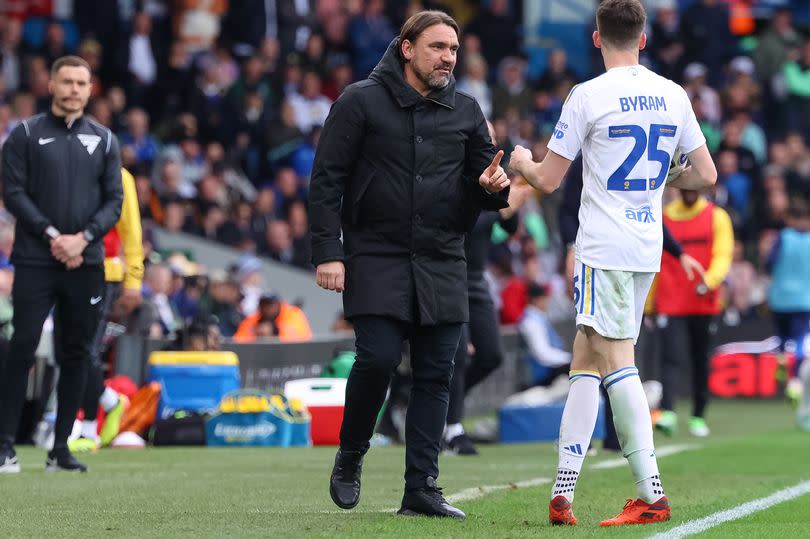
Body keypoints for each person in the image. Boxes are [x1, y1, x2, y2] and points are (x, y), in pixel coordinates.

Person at [509, 0, 717, 526]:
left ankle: (651, 493)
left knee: (614, 355)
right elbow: (706, 174)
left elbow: (549, 179)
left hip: (602, 245)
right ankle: (563, 491)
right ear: (643, 39)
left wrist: (519, 162)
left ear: (597, 39)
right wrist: (665, 179)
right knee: (586, 353)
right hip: (645, 245)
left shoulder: (587, 95)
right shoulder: (674, 94)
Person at [309, 11, 509, 519]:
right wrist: (329, 252)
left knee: (437, 374)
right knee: (376, 358)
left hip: (444, 260)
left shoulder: (466, 110)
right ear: (407, 48)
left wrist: (493, 189)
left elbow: (485, 182)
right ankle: (351, 453)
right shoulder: (358, 101)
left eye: (454, 50)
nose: (448, 58)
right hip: (375, 254)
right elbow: (326, 181)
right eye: (439, 47)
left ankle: (421, 487)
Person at [0, 55, 123, 473]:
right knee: (23, 347)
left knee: (77, 354)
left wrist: (83, 239)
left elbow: (115, 202)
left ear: (91, 89)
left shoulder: (105, 139)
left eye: (81, 83)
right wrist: (55, 237)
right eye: (66, 81)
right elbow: (13, 194)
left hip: (86, 263)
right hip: (36, 260)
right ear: (50, 84)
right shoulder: (25, 134)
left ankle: (60, 450)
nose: (73, 89)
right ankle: (4, 448)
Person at [445, 121, 534, 456]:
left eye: (494, 138)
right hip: (449, 272)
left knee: (492, 354)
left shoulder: (494, 173)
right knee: (455, 353)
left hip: (476, 277)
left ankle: (433, 406)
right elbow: (461, 218)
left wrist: (512, 207)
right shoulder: (455, 171)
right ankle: (452, 429)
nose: (490, 143)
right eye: (486, 137)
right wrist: (500, 210)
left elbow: (507, 224)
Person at [68, 167, 144, 453]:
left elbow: (132, 231)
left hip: (103, 271)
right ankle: (111, 402)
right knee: (70, 349)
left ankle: (88, 429)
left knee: (86, 349)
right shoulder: (64, 164)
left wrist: (133, 280)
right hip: (66, 267)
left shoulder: (118, 175)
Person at [655, 189, 733, 438]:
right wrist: (648, 304)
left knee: (700, 360)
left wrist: (708, 282)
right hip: (670, 300)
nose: (690, 192)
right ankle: (668, 411)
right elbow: (654, 257)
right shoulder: (665, 215)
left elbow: (723, 255)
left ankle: (698, 415)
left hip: (703, 301)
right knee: (670, 357)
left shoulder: (716, 217)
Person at [766, 200, 810, 407]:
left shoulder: (782, 238)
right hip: (803, 299)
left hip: (780, 297)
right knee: (800, 340)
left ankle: (781, 359)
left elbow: (769, 263)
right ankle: (795, 382)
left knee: (782, 338)